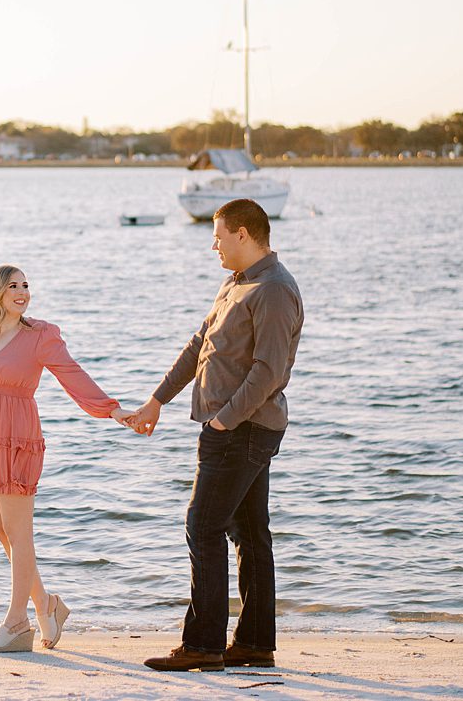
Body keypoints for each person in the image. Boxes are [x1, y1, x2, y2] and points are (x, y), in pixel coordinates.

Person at [124, 198, 304, 673]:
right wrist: (156, 400)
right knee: (248, 534)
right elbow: (198, 344)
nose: (214, 244)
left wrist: (223, 420)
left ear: (243, 234)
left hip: (242, 430)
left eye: (219, 236)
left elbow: (268, 371)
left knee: (203, 527)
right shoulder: (237, 283)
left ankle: (204, 645)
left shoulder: (274, 290)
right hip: (231, 428)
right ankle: (253, 645)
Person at [0, 264, 137, 653]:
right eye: (13, 286)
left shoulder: (40, 336)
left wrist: (110, 409)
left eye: (25, 285)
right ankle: (46, 605)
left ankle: (18, 623)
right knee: (3, 531)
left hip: (18, 435)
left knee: (20, 534)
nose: (22, 292)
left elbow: (72, 374)